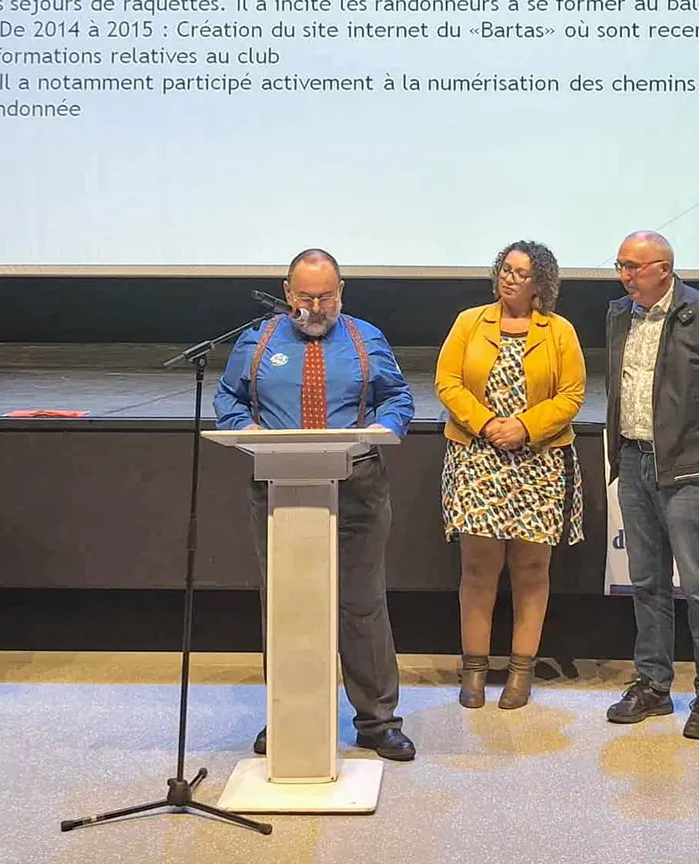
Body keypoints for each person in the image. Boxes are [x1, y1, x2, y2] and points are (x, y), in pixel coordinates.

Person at [213, 248, 417, 762]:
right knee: (286, 603)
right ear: (287, 293)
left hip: (358, 487)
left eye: (326, 297)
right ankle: (290, 715)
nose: (316, 307)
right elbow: (228, 399)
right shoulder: (256, 341)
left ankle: (377, 721)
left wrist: (383, 427)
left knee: (362, 604)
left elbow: (398, 398)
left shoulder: (366, 338)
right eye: (306, 297)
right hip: (278, 488)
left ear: (341, 292)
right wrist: (246, 429)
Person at [604, 231, 699, 739]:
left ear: (663, 269)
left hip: (689, 470)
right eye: (620, 265)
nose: (624, 276)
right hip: (634, 460)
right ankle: (653, 685)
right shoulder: (619, 314)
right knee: (647, 582)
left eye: (633, 267)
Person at [435, 240, 587, 710]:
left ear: (540, 282)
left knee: (532, 569)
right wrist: (486, 424)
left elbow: (572, 395)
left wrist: (525, 427)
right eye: (505, 268)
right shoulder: (470, 322)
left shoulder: (559, 331)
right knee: (479, 569)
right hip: (477, 458)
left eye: (521, 273)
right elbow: (447, 382)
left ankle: (521, 671)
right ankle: (474, 670)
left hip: (539, 460)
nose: (509, 277)